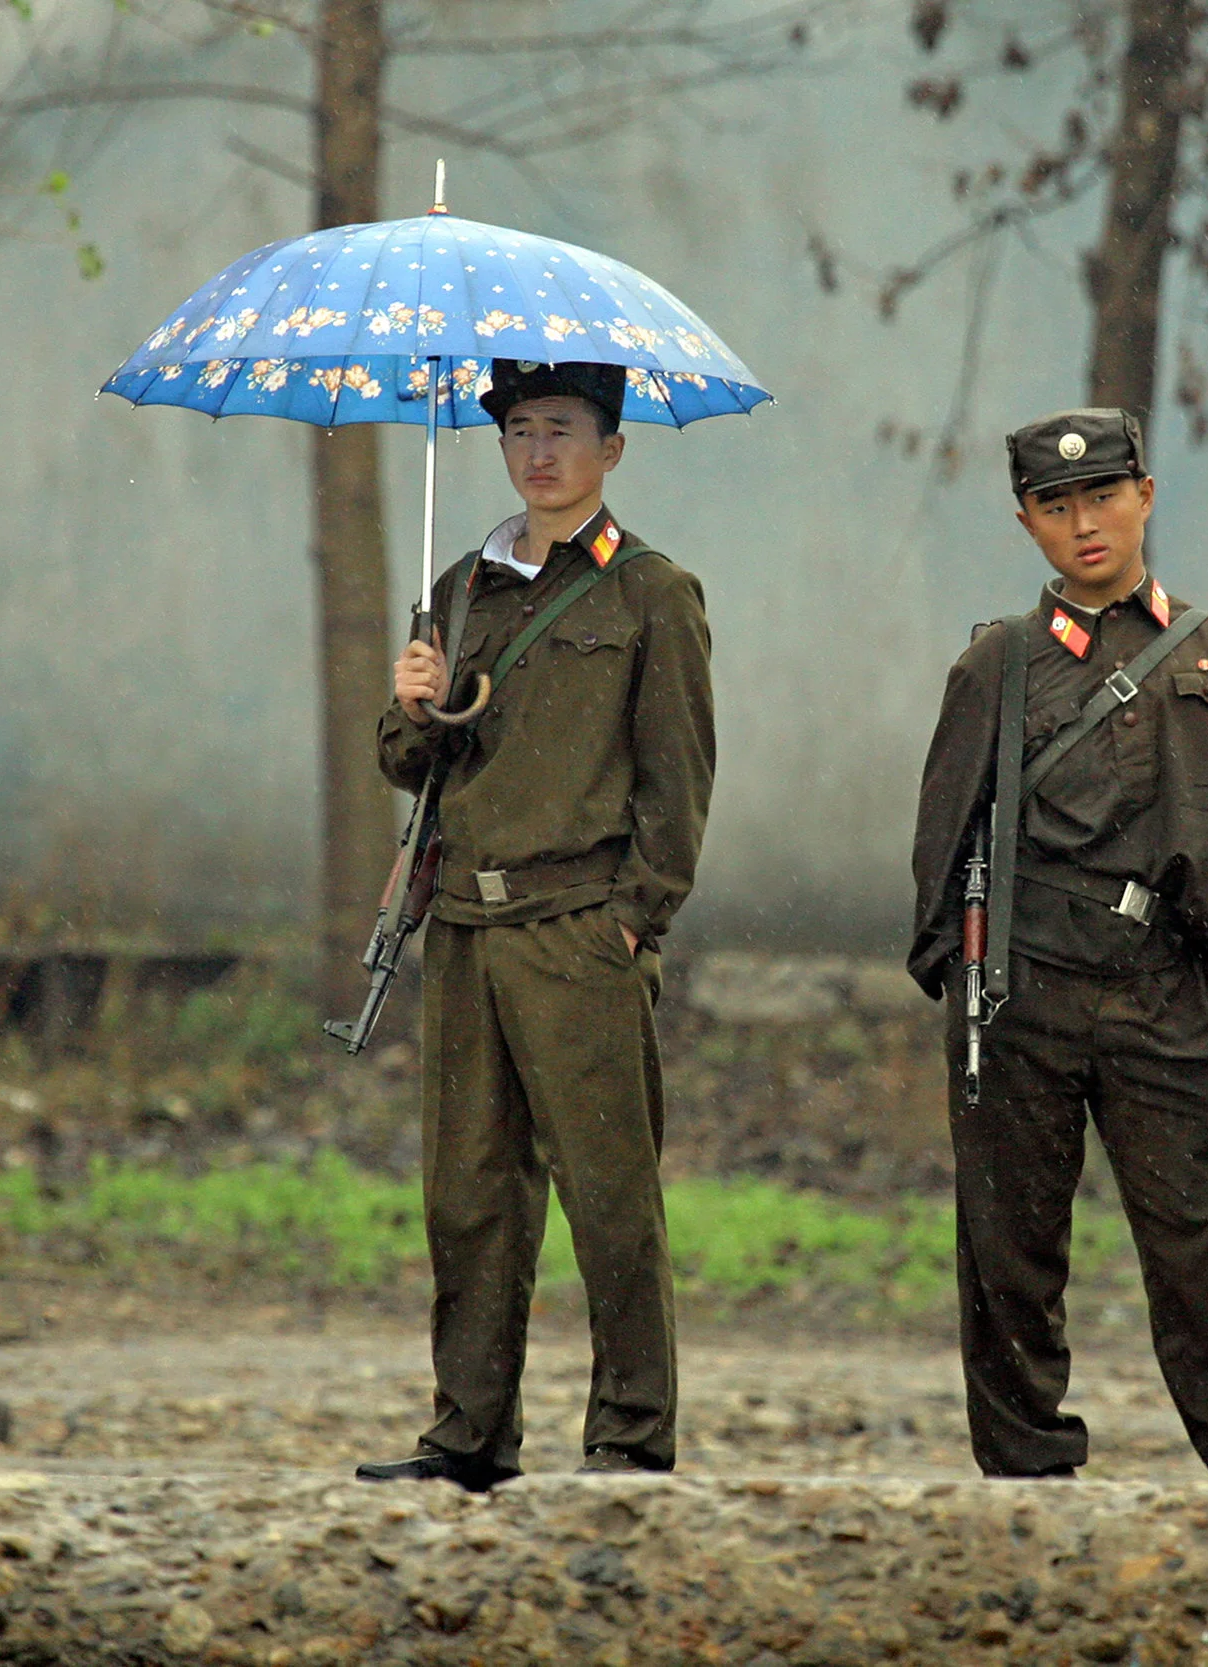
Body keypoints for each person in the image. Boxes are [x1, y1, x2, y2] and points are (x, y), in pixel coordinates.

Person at [908, 407, 1208, 1486]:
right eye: (1056, 505)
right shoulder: (997, 663)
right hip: (1025, 990)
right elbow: (940, 844)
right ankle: (1026, 1475)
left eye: (1101, 496)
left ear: (1143, 494)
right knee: (1008, 1256)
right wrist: (967, 981)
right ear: (1025, 521)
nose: (1083, 523)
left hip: (1171, 993)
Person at [356, 359, 715, 1489]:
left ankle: (627, 1436)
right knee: (467, 1192)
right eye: (518, 428)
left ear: (613, 448)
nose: (538, 451)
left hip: (576, 927)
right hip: (464, 922)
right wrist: (411, 699)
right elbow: (410, 762)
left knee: (610, 1192)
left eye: (562, 429)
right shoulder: (460, 587)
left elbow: (680, 778)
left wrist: (633, 920)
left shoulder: (652, 592)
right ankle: (467, 1432)